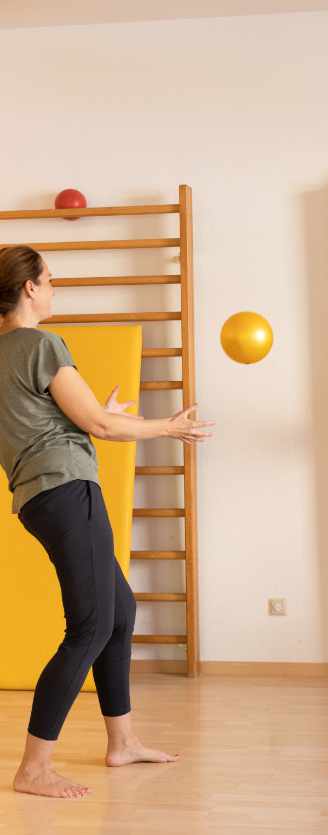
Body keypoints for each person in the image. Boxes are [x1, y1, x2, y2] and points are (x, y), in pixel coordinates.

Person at [0, 245, 213, 799]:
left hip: (37, 496)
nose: (53, 289)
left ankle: (122, 742)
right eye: (49, 281)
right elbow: (96, 423)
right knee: (90, 626)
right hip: (68, 490)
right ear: (29, 289)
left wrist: (102, 419)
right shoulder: (43, 344)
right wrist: (167, 426)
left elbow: (60, 421)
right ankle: (33, 768)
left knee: (118, 612)